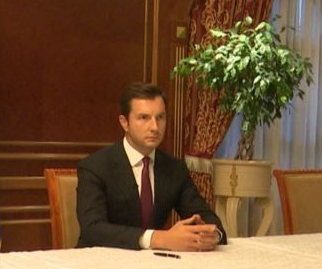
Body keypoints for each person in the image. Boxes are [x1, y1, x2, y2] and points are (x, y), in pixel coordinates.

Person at [76, 82, 226, 251]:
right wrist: (158, 238)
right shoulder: (95, 167)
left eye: (160, 118)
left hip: (154, 262)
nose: (155, 127)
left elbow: (208, 219)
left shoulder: (174, 168)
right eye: (144, 118)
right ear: (124, 122)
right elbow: (93, 230)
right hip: (100, 260)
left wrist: (213, 235)